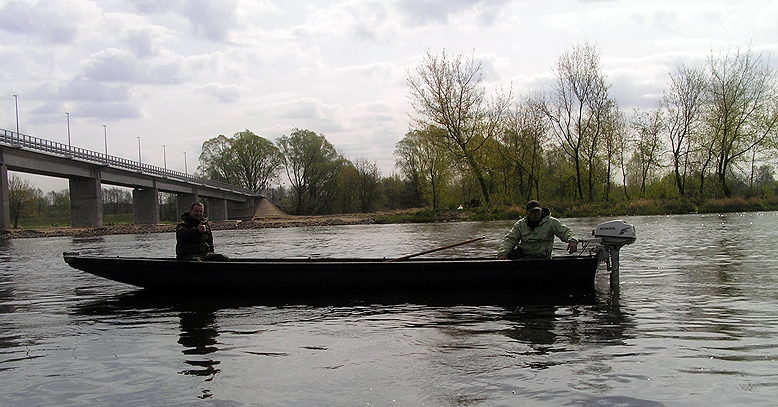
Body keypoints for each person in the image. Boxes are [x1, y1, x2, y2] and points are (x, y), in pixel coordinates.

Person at [497, 200, 578, 260]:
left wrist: (572, 241)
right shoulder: (520, 225)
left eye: (537, 211)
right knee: (509, 256)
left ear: (541, 210)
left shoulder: (551, 222)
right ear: (527, 213)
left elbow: (565, 232)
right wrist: (502, 253)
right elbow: (510, 240)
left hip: (542, 258)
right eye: (533, 212)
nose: (536, 214)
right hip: (524, 256)